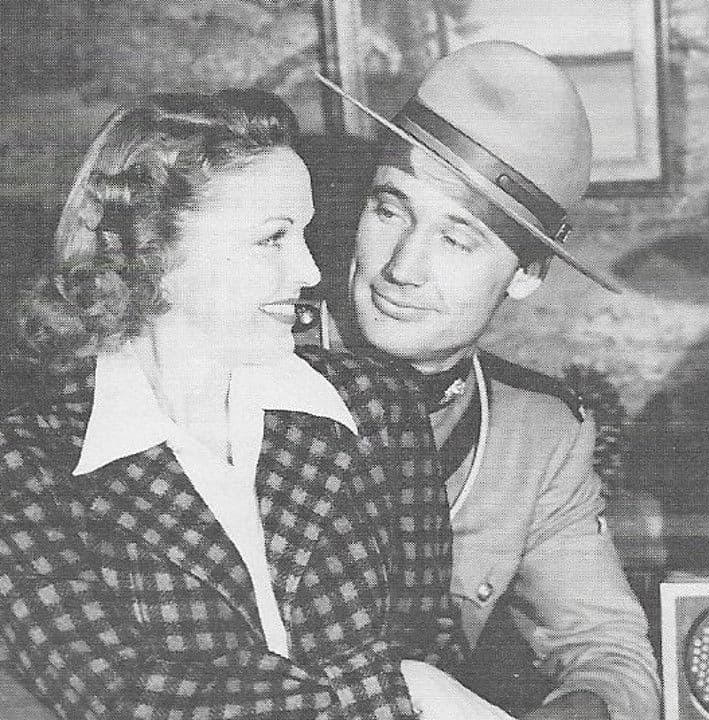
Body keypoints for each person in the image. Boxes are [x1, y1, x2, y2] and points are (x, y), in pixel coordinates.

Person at [0, 89, 507, 719]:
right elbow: (118, 693)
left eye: (306, 234)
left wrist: (419, 680)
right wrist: (400, 690)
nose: (310, 271)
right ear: (154, 250)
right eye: (274, 238)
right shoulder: (28, 465)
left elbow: (429, 641)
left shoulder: (378, 406)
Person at [320, 40, 660, 720]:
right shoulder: (252, 371)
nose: (402, 268)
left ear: (527, 274)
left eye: (457, 239)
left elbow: (606, 650)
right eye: (389, 209)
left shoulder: (536, 435)